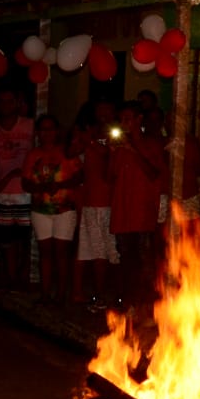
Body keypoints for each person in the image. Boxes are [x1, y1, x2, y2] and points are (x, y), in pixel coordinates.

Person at [107, 100, 167, 311]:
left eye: (128, 119)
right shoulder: (119, 146)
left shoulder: (151, 143)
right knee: (126, 260)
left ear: (139, 120)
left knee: (145, 261)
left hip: (142, 214)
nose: (124, 123)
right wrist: (114, 151)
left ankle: (147, 306)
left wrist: (132, 149)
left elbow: (154, 173)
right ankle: (129, 303)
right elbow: (111, 176)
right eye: (121, 119)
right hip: (122, 213)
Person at [21, 113, 82, 304]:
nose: (47, 133)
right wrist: (42, 188)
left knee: (62, 252)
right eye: (43, 129)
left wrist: (61, 186)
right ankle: (46, 293)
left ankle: (62, 293)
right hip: (41, 210)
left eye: (50, 129)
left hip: (65, 209)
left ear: (56, 131)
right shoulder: (33, 154)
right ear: (38, 132)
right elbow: (25, 182)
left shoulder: (67, 152)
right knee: (45, 252)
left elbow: (80, 176)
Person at [0, 87, 35, 289]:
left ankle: (23, 276)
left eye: (9, 101)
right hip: (3, 192)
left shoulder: (30, 125)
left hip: (27, 190)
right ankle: (11, 277)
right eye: (2, 101)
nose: (6, 105)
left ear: (17, 103)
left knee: (25, 238)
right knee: (6, 239)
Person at [72, 100, 119, 309]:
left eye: (107, 109)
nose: (103, 113)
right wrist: (83, 139)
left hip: (109, 202)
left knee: (108, 253)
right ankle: (86, 293)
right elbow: (70, 154)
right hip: (90, 201)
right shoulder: (88, 134)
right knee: (88, 251)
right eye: (100, 109)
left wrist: (91, 142)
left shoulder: (117, 135)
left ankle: (109, 295)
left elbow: (108, 164)